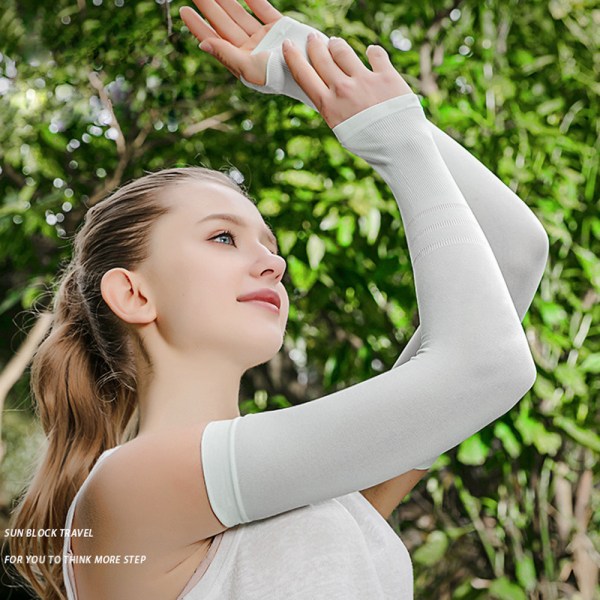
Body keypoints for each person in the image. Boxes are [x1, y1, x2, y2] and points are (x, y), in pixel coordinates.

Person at [6, 0, 549, 598]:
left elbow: (515, 255)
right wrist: (393, 138)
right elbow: (486, 365)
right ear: (133, 293)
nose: (274, 261)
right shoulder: (133, 485)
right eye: (222, 237)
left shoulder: (325, 489)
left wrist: (314, 71)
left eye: (267, 241)